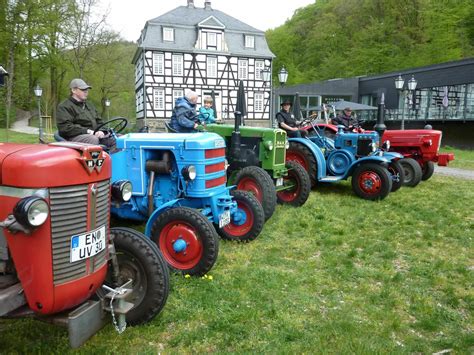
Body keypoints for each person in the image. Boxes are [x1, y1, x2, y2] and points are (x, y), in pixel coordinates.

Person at [57, 78, 116, 150]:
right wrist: (89, 131)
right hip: (74, 138)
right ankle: (93, 160)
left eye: (87, 90)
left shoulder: (89, 105)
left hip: (94, 135)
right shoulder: (64, 106)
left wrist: (102, 131)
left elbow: (99, 122)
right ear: (73, 90)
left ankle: (114, 160)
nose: (86, 92)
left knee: (118, 140)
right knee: (93, 139)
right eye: (83, 90)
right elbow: (65, 128)